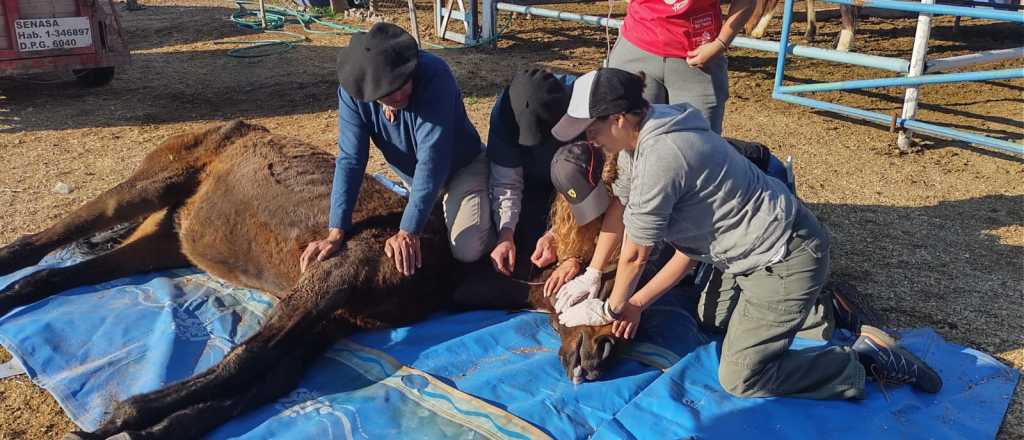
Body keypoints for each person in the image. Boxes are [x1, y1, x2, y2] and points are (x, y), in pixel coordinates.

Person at [550, 67, 942, 399]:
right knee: (709, 316)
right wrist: (595, 275)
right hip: (742, 255)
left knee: (741, 377)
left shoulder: (663, 156)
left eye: (591, 129)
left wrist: (610, 308)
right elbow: (632, 214)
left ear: (618, 118)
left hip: (785, 256)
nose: (589, 140)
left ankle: (862, 363)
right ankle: (817, 309)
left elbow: (636, 254)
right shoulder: (646, 133)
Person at [300, 23, 493, 276]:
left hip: (461, 168)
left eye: (403, 82)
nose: (401, 94)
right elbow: (350, 159)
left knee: (466, 249)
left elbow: (432, 158)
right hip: (415, 179)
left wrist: (408, 231)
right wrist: (336, 230)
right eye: (389, 94)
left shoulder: (435, 75)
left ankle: (498, 209)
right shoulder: (353, 94)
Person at [606, 0, 756, 134]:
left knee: (699, 148)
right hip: (636, 50)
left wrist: (721, 43)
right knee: (634, 145)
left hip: (698, 60)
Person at [485, 68, 575, 282]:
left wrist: (558, 233)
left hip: (570, 184)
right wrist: (506, 234)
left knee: (572, 245)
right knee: (524, 240)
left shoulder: (580, 110)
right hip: (531, 182)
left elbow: (588, 183)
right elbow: (507, 181)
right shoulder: (504, 115)